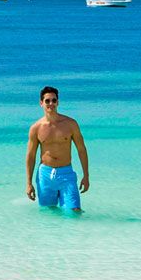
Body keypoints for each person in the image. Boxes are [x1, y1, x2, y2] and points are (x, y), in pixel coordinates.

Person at [25, 85, 89, 213]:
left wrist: (86, 176)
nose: (51, 103)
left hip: (66, 174)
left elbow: (81, 149)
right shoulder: (36, 128)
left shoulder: (71, 124)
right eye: (47, 101)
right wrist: (28, 183)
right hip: (45, 175)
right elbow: (31, 156)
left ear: (58, 102)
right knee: (49, 213)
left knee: (75, 211)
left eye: (54, 100)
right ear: (41, 103)